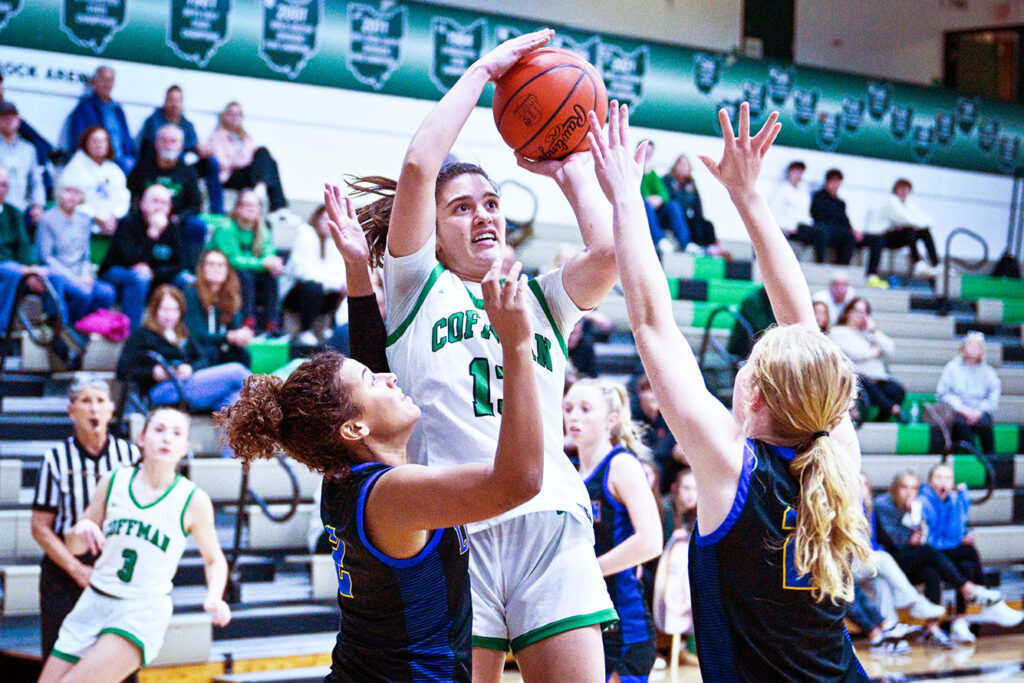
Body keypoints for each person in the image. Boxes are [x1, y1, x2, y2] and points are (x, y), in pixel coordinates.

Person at [348, 29, 619, 682]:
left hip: (549, 520)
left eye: (491, 204)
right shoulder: (419, 288)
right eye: (461, 208)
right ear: (433, 233)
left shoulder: (541, 299)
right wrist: (482, 72)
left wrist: (570, 167)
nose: (482, 217)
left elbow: (609, 252)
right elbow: (418, 166)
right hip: (459, 528)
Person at [588, 99, 873, 679]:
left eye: (750, 362)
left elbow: (650, 322)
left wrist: (625, 195)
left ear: (755, 396)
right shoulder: (837, 448)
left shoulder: (731, 465)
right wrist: (749, 196)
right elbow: (804, 334)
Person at [220, 204, 548, 681]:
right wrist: (516, 346)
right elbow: (520, 481)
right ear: (354, 429)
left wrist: (358, 269)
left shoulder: (350, 478)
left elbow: (360, 376)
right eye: (374, 382)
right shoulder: (392, 494)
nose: (390, 377)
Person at [37, 408, 230, 682]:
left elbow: (214, 559)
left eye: (177, 434)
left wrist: (214, 596)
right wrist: (82, 529)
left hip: (142, 610)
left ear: (185, 447)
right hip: (94, 600)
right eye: (159, 430)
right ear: (141, 438)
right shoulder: (113, 481)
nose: (167, 439)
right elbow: (74, 548)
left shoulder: (193, 500)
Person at [31, 376, 140, 665]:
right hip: (65, 570)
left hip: (114, 569)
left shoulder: (129, 456)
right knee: (61, 661)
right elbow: (40, 527)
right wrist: (76, 569)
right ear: (71, 411)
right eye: (86, 401)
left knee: (116, 663)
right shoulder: (55, 458)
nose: (94, 409)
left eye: (100, 401)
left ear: (112, 410)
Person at [564, 379, 663, 683]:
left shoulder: (621, 465)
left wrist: (591, 570)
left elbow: (651, 541)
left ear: (611, 419)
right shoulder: (568, 470)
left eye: (584, 409)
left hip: (624, 626)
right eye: (568, 408)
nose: (573, 417)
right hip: (582, 617)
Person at [874, 471, 1008, 646]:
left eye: (913, 488)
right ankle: (971, 589)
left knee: (933, 571)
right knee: (931, 552)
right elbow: (896, 540)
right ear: (894, 489)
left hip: (914, 560)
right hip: (891, 561)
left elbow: (931, 533)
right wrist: (910, 534)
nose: (908, 492)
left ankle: (933, 628)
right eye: (904, 487)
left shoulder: (920, 504)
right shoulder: (883, 504)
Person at [919, 463, 1023, 638]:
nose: (943, 482)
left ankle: (960, 621)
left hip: (947, 551)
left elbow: (955, 532)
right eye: (939, 477)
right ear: (930, 481)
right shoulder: (924, 501)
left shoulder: (952, 500)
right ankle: (987, 598)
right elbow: (930, 539)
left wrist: (960, 500)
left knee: (967, 564)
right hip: (930, 554)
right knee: (968, 551)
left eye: (948, 478)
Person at [117, 284, 250, 412]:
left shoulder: (183, 333)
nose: (169, 315)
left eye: (174, 310)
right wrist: (153, 372)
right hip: (160, 390)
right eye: (165, 310)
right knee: (236, 371)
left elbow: (203, 360)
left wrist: (190, 368)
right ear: (154, 310)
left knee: (234, 400)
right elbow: (122, 370)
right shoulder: (141, 335)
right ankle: (267, 395)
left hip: (188, 383)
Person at [855, 473, 947, 636]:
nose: (859, 490)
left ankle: (891, 633)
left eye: (863, 486)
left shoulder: (869, 509)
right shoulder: (851, 510)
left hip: (867, 564)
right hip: (848, 567)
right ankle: (913, 602)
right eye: (855, 485)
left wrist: (914, 514)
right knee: (884, 559)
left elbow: (922, 535)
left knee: (882, 582)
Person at [0, 165, 75, 339]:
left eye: (5, 185)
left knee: (53, 276)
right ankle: (3, 333)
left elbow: (24, 245)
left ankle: (58, 331)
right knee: (11, 271)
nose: (1, 189)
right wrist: (25, 270)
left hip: (17, 270)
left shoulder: (13, 212)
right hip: (9, 270)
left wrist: (32, 268)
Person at [99, 184, 187, 329]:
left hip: (153, 278)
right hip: (118, 274)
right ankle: (132, 334)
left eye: (164, 203)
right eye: (154, 201)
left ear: (170, 207)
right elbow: (127, 258)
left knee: (187, 280)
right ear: (142, 204)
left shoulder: (172, 228)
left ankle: (180, 335)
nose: (159, 207)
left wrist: (154, 273)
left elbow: (179, 264)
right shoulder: (128, 223)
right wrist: (152, 234)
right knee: (140, 277)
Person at [34, 181, 117, 324]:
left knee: (107, 292)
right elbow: (46, 257)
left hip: (81, 274)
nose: (71, 197)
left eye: (76, 193)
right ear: (59, 193)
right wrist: (73, 278)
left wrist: (85, 275)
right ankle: (66, 329)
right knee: (83, 293)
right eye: (68, 191)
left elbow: (85, 256)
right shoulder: (47, 219)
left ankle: (85, 328)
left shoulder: (84, 220)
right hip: (59, 273)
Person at [206, 188, 283, 335]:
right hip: (222, 271)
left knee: (271, 277)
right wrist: (262, 263)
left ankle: (272, 324)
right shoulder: (226, 227)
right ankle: (248, 321)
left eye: (254, 206)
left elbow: (268, 255)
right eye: (246, 205)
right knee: (245, 275)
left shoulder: (263, 230)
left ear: (260, 210)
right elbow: (232, 260)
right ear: (237, 208)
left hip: (250, 272)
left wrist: (272, 264)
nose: (250, 209)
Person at [127, 124, 206, 266]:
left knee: (197, 226)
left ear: (181, 146)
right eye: (164, 140)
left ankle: (189, 270)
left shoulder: (188, 173)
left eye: (173, 141)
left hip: (176, 220)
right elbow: (130, 195)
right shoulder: (142, 168)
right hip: (145, 218)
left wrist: (177, 219)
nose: (168, 145)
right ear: (156, 144)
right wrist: (144, 216)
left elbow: (195, 205)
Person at [137, 85, 223, 214]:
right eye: (171, 100)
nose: (175, 104)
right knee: (173, 154)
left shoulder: (187, 124)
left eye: (178, 100)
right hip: (157, 165)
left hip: (183, 165)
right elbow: (159, 148)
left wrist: (202, 150)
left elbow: (194, 146)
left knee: (211, 163)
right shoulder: (153, 121)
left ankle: (217, 211)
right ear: (165, 101)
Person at [830, 297, 907, 422]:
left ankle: (881, 421)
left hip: (877, 378)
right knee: (864, 382)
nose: (861, 316)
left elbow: (890, 349)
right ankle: (893, 409)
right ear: (848, 312)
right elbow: (851, 353)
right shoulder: (838, 332)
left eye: (865, 312)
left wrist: (873, 330)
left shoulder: (869, 334)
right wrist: (872, 352)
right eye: (857, 311)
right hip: (855, 379)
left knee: (897, 390)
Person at [205, 101, 288, 214]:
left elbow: (252, 156)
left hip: (247, 173)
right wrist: (240, 158)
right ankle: (266, 195)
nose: (234, 118)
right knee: (266, 162)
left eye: (238, 114)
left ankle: (276, 205)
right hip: (229, 175)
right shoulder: (217, 137)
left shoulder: (246, 137)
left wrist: (238, 158)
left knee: (266, 156)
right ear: (224, 117)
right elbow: (223, 162)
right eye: (231, 114)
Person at [282, 204, 347, 345]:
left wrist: (338, 284)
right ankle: (305, 330)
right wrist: (333, 282)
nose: (327, 224)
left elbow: (339, 273)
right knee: (313, 288)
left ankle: (329, 328)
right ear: (316, 219)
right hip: (295, 293)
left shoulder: (333, 243)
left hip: (322, 292)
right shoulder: (305, 234)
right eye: (324, 219)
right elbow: (304, 273)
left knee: (340, 291)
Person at [58, 125, 131, 237]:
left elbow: (124, 198)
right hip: (80, 226)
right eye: (95, 141)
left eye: (103, 141)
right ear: (85, 143)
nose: (99, 144)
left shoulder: (114, 170)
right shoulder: (74, 168)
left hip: (112, 225)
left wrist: (113, 217)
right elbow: (69, 200)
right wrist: (97, 218)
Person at [864, 179, 941, 283]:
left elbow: (926, 220)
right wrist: (915, 224)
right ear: (896, 190)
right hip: (879, 236)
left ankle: (936, 264)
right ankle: (917, 262)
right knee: (910, 230)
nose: (904, 192)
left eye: (907, 190)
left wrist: (917, 225)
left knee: (924, 231)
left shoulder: (909, 204)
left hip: (894, 235)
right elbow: (905, 219)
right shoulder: (891, 201)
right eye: (902, 189)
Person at [184, 249, 252, 367]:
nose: (216, 269)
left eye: (221, 265)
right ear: (202, 269)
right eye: (211, 264)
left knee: (243, 354)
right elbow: (197, 334)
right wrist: (229, 337)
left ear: (227, 270)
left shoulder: (231, 296)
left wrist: (241, 336)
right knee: (210, 352)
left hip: (222, 349)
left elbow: (235, 329)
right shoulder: (192, 294)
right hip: (201, 351)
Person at [937, 332, 1000, 455]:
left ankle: (991, 460)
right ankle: (972, 456)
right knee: (960, 425)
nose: (973, 348)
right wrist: (961, 409)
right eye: (970, 344)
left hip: (979, 411)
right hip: (957, 411)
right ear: (964, 347)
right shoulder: (952, 368)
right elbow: (943, 393)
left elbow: (993, 396)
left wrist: (979, 411)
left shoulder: (989, 372)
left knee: (985, 425)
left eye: (977, 346)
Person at [65, 66, 136, 173]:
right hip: (98, 161)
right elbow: (77, 141)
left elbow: (127, 139)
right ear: (94, 83)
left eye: (110, 80)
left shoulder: (117, 110)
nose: (107, 84)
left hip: (121, 161)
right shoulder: (85, 109)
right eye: (103, 80)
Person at [0, 101, 45, 228]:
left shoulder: (29, 149)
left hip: (23, 209)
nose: (8, 120)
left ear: (19, 121)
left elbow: (37, 181)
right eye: (4, 117)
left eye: (12, 117)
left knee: (48, 218)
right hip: (2, 208)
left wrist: (38, 205)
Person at [639, 140, 689, 253]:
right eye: (645, 152)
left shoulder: (653, 174)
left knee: (673, 205)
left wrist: (659, 198)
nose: (647, 155)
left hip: (655, 212)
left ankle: (683, 242)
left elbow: (664, 193)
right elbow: (638, 192)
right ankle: (658, 240)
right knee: (646, 205)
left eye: (649, 153)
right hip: (639, 210)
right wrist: (643, 173)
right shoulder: (632, 170)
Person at [663, 154, 719, 252]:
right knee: (678, 214)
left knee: (706, 224)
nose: (683, 168)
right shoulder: (667, 180)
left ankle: (709, 247)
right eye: (681, 164)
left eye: (686, 165)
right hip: (672, 215)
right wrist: (685, 195)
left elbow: (697, 205)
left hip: (686, 215)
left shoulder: (690, 184)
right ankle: (686, 243)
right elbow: (670, 201)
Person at [810, 169, 860, 265]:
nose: (835, 185)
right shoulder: (818, 197)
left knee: (849, 236)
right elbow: (817, 215)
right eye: (833, 182)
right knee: (822, 232)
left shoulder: (840, 203)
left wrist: (853, 231)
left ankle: (843, 266)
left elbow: (845, 220)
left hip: (836, 230)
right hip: (824, 228)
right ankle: (820, 263)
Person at [771, 160, 817, 248]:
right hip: (791, 228)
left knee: (821, 232)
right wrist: (790, 227)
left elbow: (805, 214)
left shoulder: (803, 192)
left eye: (800, 172)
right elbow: (775, 213)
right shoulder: (782, 190)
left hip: (804, 227)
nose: (798, 175)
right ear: (789, 173)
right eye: (795, 172)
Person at [725, 285, 775, 359]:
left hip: (760, 346)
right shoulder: (753, 299)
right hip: (744, 347)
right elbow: (763, 327)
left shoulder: (773, 300)